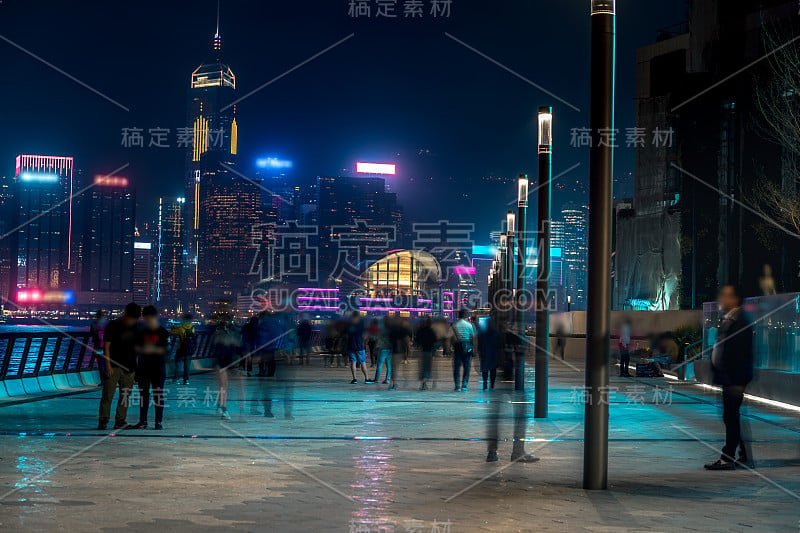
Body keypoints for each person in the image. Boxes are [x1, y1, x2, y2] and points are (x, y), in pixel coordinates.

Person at [705, 285, 754, 471]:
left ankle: (727, 457)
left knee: (730, 417)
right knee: (731, 417)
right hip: (729, 378)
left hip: (734, 380)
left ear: (735, 299)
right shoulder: (730, 318)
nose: (721, 299)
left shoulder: (740, 321)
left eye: (725, 296)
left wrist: (738, 382)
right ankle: (743, 455)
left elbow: (743, 355)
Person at [98, 302, 141, 430]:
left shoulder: (136, 327)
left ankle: (120, 420)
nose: (132, 321)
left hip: (130, 367)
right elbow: (106, 346)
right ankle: (103, 420)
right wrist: (107, 365)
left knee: (125, 395)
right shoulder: (114, 325)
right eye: (131, 318)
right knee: (108, 394)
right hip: (114, 365)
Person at [132, 306, 169, 430]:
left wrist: (148, 349)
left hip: (157, 368)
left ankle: (157, 422)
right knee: (144, 395)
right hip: (144, 368)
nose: (147, 320)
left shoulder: (162, 332)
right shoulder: (142, 332)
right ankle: (144, 421)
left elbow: (164, 350)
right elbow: (137, 349)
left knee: (157, 395)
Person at [211, 314, 241, 420]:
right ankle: (224, 409)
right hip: (220, 362)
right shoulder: (219, 333)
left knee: (223, 386)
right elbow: (216, 345)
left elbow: (235, 346)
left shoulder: (231, 332)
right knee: (223, 386)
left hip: (227, 362)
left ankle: (219, 406)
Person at [452, 310, 476, 392]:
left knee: (456, 367)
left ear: (458, 316)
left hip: (458, 346)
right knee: (466, 366)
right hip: (467, 346)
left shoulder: (455, 325)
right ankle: (465, 385)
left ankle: (457, 385)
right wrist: (474, 347)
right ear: (465, 316)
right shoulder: (469, 325)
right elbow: (473, 337)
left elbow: (451, 337)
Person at [346, 311, 372, 384]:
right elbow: (365, 335)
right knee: (363, 363)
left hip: (351, 346)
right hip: (360, 346)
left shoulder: (349, 324)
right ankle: (366, 379)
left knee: (353, 363)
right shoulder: (361, 324)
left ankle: (354, 379)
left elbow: (346, 335)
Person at [170, 313, 196, 385]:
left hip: (181, 349)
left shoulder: (181, 328)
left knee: (178, 365)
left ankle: (176, 379)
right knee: (187, 366)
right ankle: (186, 380)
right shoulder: (192, 328)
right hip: (189, 350)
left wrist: (174, 327)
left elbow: (172, 332)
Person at [478, 317, 501, 390]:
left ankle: (485, 383)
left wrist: (480, 352)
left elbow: (480, 344)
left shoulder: (483, 333)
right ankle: (492, 384)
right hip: (494, 354)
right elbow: (499, 345)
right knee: (493, 370)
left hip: (485, 353)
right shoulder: (496, 333)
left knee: (485, 369)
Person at [416, 318, 437, 390]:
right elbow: (434, 340)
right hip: (429, 351)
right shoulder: (431, 331)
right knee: (427, 367)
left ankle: (423, 383)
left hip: (422, 350)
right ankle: (424, 382)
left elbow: (417, 340)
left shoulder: (421, 330)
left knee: (422, 367)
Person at [89, 310, 108, 385]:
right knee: (107, 364)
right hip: (107, 346)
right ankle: (107, 380)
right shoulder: (107, 324)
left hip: (98, 346)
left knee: (101, 364)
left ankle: (102, 381)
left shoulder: (94, 324)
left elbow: (91, 333)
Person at [373, 318, 393, 384]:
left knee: (379, 365)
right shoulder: (392, 331)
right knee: (389, 365)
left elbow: (378, 339)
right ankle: (387, 379)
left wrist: (375, 348)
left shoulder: (381, 330)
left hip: (382, 349)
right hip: (390, 349)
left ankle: (376, 379)